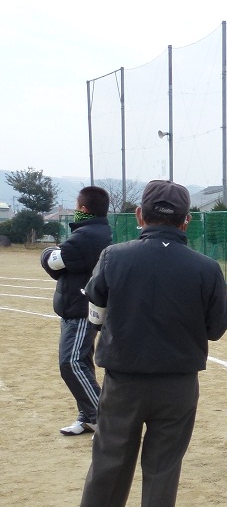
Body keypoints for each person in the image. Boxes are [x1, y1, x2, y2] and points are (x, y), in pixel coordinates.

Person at [68, 180, 227, 507]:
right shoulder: (205, 268)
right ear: (186, 221)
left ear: (140, 215)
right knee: (162, 468)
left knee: (109, 462)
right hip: (178, 384)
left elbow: (95, 309)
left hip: (123, 380)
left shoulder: (114, 256)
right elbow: (217, 328)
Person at [40, 186, 113, 436]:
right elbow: (60, 265)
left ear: (83, 209)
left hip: (80, 308)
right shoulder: (93, 231)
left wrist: (47, 252)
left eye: (76, 207)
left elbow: (52, 263)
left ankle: (105, 419)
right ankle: (87, 416)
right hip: (76, 306)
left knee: (71, 363)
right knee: (81, 362)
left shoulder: (86, 236)